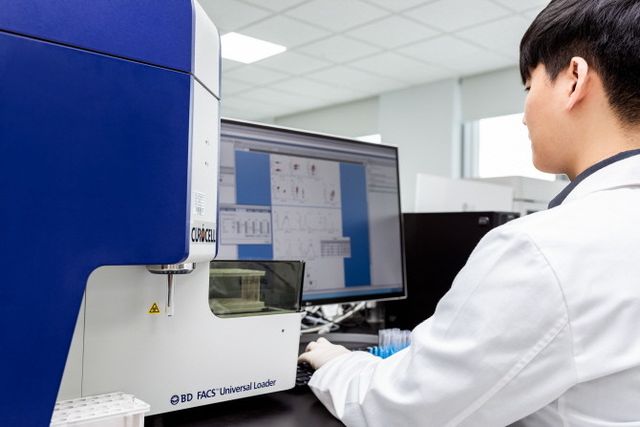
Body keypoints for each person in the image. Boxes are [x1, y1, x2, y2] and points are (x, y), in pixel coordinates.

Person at [298, 0, 640, 425]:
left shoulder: (545, 250)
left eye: (529, 88)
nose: (524, 117)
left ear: (574, 79)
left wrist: (335, 363)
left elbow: (401, 411)